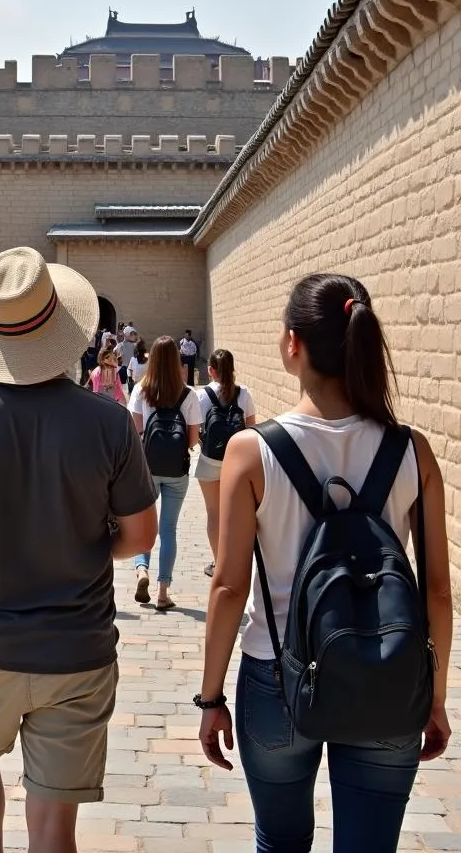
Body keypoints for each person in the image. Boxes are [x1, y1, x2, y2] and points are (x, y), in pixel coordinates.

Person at [0, 246, 158, 853]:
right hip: (78, 648)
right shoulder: (109, 422)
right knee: (52, 824)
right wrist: (90, 547)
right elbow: (142, 536)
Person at [198, 273, 452, 852]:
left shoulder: (252, 450)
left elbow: (230, 586)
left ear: (293, 344)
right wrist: (433, 696)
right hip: (389, 673)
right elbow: (437, 590)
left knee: (280, 841)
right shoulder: (411, 450)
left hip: (277, 675)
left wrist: (211, 698)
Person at [128, 336, 201, 610]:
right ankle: (162, 592)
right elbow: (193, 440)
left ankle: (141, 569)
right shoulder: (188, 394)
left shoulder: (140, 391)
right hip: (176, 470)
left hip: (147, 468)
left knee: (145, 525)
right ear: (177, 361)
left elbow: (136, 432)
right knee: (168, 529)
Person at [196, 349, 257, 578]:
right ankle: (237, 561)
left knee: (214, 512)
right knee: (237, 514)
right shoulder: (244, 393)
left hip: (210, 459)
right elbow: (251, 428)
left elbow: (198, 426)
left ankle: (218, 562)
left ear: (211, 370)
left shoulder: (202, 396)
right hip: (238, 460)